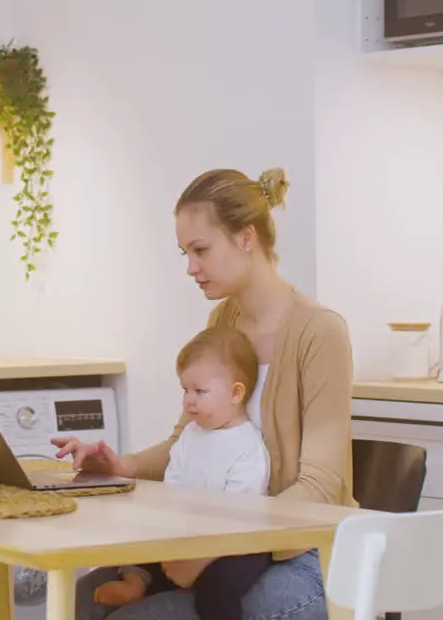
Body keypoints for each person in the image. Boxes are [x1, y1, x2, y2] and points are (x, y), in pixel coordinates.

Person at [52, 168, 356, 620]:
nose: (191, 267)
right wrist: (122, 465)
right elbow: (187, 441)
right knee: (79, 601)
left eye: (201, 250)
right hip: (223, 544)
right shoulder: (222, 324)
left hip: (309, 558)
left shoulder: (320, 332)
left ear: (246, 238)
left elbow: (320, 486)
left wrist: (220, 549)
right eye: (185, 253)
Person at [93, 325, 271, 620]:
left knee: (217, 590)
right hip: (189, 530)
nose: (189, 400)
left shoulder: (247, 444)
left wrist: (198, 558)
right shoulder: (190, 435)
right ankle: (135, 582)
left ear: (236, 393)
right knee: (142, 544)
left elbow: (242, 514)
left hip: (235, 542)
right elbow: (172, 485)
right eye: (185, 390)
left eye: (200, 391)